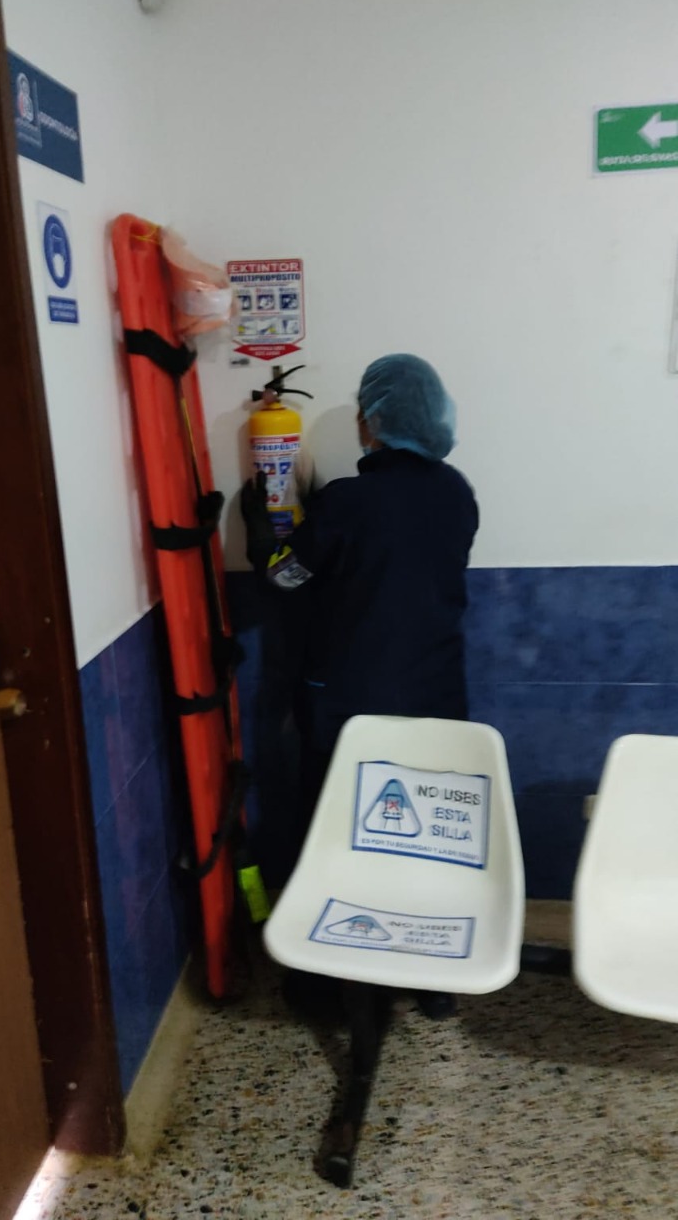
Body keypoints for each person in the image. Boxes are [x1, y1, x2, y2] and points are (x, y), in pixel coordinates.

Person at [242, 352, 479, 1017]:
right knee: (428, 841)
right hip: (437, 705)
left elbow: (287, 578)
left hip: (351, 708)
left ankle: (324, 983)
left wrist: (262, 538)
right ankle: (433, 981)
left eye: (360, 413)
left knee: (339, 840)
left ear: (372, 422)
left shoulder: (347, 503)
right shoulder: (457, 494)